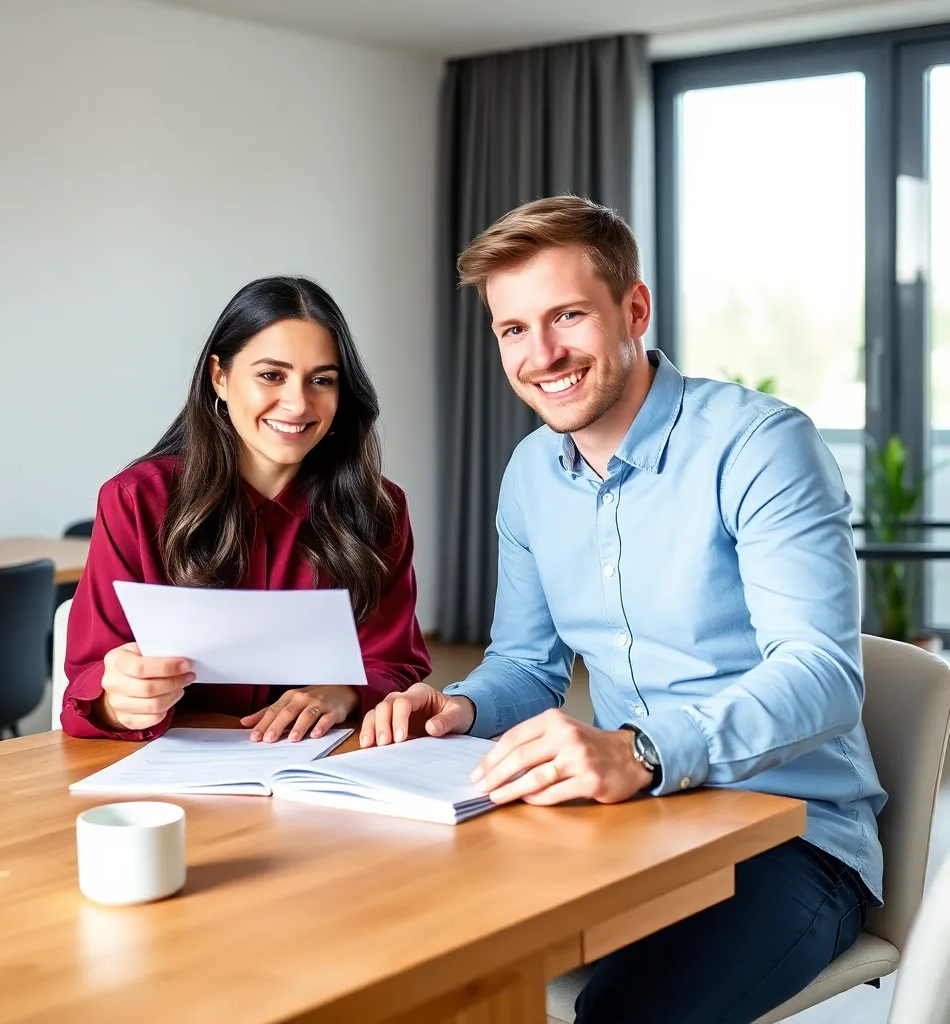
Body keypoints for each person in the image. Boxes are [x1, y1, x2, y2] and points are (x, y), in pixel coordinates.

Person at [361, 196, 885, 1023]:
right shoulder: (531, 475)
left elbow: (822, 675)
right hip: (627, 824)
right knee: (402, 952)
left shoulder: (760, 444)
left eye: (569, 315)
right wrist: (463, 705)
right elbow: (529, 667)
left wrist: (641, 751)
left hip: (792, 837)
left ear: (633, 309)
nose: (543, 355)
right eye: (513, 329)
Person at [62, 276, 430, 742]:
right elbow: (87, 687)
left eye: (321, 380)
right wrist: (120, 701)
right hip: (171, 774)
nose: (297, 404)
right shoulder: (136, 500)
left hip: (323, 770)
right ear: (220, 376)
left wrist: (344, 693)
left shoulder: (379, 508)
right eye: (271, 375)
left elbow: (396, 662)